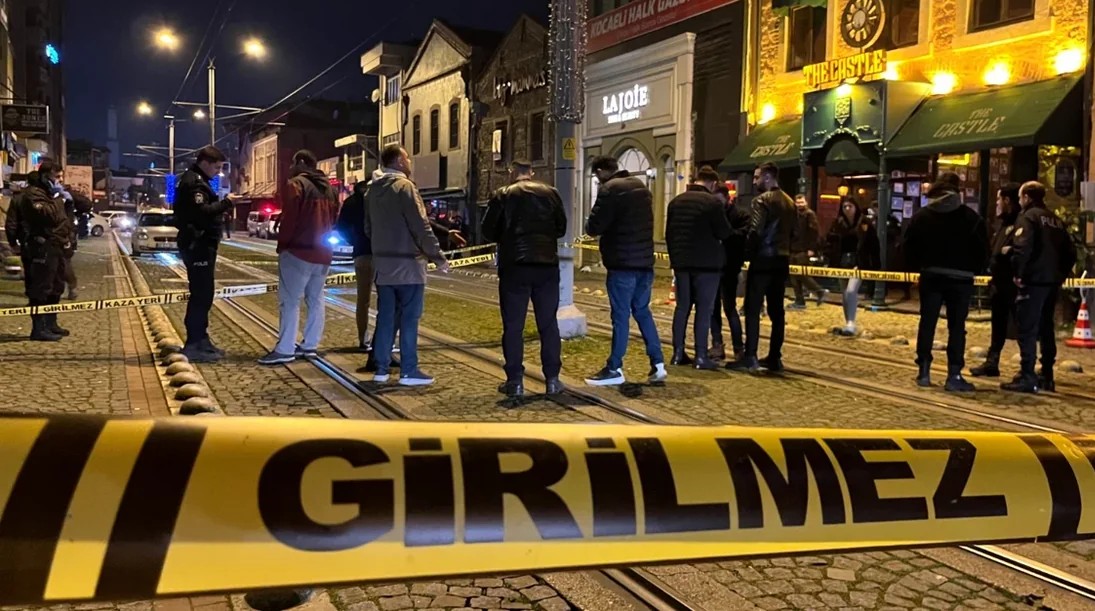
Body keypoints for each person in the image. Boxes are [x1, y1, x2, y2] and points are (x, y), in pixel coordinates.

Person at [364, 144, 449, 386]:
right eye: (407, 158)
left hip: (383, 267)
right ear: (399, 162)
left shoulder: (371, 191)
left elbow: (368, 228)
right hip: (409, 266)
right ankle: (409, 371)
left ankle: (381, 369)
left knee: (385, 318)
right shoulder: (405, 188)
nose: (410, 162)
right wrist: (438, 257)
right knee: (409, 319)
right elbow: (420, 226)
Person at [481, 160, 567, 397]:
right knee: (548, 324)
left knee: (513, 326)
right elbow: (561, 228)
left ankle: (515, 381)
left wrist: (506, 235)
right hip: (546, 266)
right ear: (531, 173)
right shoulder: (551, 193)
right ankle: (552, 379)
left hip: (514, 267)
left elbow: (487, 230)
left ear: (512, 173)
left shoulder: (502, 195)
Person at [584, 155, 667, 386]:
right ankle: (658, 363)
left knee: (620, 316)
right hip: (644, 264)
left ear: (601, 171)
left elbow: (593, 227)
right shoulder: (641, 187)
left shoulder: (609, 190)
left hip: (622, 265)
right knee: (642, 311)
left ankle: (614, 368)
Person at [903, 172, 988, 392]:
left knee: (927, 322)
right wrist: (974, 270)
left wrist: (919, 268)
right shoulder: (971, 218)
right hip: (961, 279)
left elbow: (908, 246)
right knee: (957, 327)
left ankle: (923, 370)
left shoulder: (922, 216)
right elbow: (982, 249)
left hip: (932, 275)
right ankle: (954, 374)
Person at [258, 150, 341, 366]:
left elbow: (290, 219)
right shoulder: (329, 189)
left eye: (292, 163)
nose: (290, 168)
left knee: (290, 301)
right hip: (323, 253)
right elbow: (334, 219)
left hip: (298, 251)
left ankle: (285, 348)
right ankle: (310, 345)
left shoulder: (296, 185)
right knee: (316, 299)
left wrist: (283, 245)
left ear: (300, 163)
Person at [1001, 181, 1076, 393]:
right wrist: (1059, 275)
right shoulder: (1055, 220)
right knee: (1046, 328)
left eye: (1020, 197)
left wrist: (1019, 273)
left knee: (1027, 328)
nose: (1019, 201)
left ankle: (1027, 375)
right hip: (1051, 282)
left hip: (1032, 281)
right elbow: (1070, 252)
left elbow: (1022, 247)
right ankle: (1047, 374)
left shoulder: (1028, 217)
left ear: (1026, 197)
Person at [730, 162, 795, 373]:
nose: (754, 181)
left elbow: (756, 230)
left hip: (763, 260)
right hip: (782, 259)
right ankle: (775, 356)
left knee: (752, 308)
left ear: (767, 177)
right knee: (777, 310)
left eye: (757, 177)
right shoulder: (790, 202)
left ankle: (751, 355)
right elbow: (793, 233)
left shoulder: (761, 200)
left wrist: (746, 253)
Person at [664, 166, 731, 370]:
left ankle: (678, 353)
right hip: (707, 265)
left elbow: (669, 233)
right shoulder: (712, 203)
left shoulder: (676, 202)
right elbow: (724, 232)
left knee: (682, 307)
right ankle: (701, 356)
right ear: (712, 183)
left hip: (682, 264)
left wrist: (676, 259)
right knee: (704, 309)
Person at [174, 146, 235, 362]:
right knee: (201, 294)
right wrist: (227, 203)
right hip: (197, 244)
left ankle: (201, 339)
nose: (218, 172)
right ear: (205, 162)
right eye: (217, 167)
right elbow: (201, 213)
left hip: (201, 243)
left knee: (205, 293)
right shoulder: (195, 183)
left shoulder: (199, 181)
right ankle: (194, 343)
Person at [12, 161, 70, 341]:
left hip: (56, 246)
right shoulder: (33, 195)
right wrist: (58, 198)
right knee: (41, 288)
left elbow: (67, 215)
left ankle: (50, 323)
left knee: (56, 286)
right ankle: (38, 328)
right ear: (46, 177)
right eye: (56, 177)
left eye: (61, 176)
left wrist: (65, 197)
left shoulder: (49, 194)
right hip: (41, 247)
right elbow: (50, 216)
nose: (60, 180)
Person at [970, 183, 1022, 377]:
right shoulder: (1002, 224)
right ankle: (992, 362)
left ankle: (1027, 368)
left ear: (1007, 200)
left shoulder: (1021, 222)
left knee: (1021, 327)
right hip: (999, 284)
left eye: (999, 199)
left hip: (1014, 284)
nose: (997, 203)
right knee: (998, 325)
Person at [709, 185, 749, 361]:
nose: (717, 204)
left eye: (719, 201)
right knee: (713, 308)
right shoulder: (713, 214)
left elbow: (743, 236)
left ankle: (738, 347)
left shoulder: (740, 215)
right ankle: (717, 345)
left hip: (730, 267)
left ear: (727, 198)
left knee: (729, 307)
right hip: (714, 266)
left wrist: (727, 234)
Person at [336, 180, 374, 352]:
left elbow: (341, 227)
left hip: (361, 252)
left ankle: (363, 339)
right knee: (386, 299)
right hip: (383, 253)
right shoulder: (380, 198)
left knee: (363, 300)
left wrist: (354, 241)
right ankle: (383, 339)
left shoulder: (350, 202)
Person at [825, 198, 865, 336]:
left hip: (858, 262)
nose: (847, 209)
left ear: (855, 207)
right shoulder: (838, 223)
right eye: (844, 206)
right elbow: (830, 241)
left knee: (851, 291)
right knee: (844, 293)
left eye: (850, 206)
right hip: (841, 261)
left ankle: (851, 323)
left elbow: (869, 242)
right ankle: (848, 322)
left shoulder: (863, 222)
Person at [788, 193, 826, 310]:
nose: (800, 204)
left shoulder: (809, 214)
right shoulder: (793, 215)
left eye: (802, 202)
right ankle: (799, 300)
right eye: (798, 202)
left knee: (802, 274)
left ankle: (819, 290)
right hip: (793, 249)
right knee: (794, 276)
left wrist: (812, 248)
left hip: (803, 249)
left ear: (806, 202)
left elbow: (814, 232)